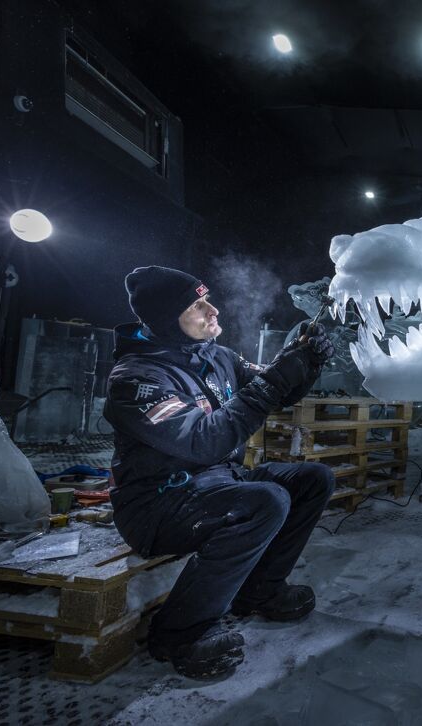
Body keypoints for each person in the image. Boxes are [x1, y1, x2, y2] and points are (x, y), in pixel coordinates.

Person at [104, 265, 335, 679]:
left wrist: (305, 360)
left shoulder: (216, 356)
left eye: (206, 298)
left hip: (216, 482)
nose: (212, 310)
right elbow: (206, 440)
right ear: (164, 319)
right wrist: (275, 381)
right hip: (158, 504)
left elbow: (270, 386)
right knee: (265, 501)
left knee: (312, 480)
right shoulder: (137, 378)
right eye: (196, 304)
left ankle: (260, 591)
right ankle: (179, 632)